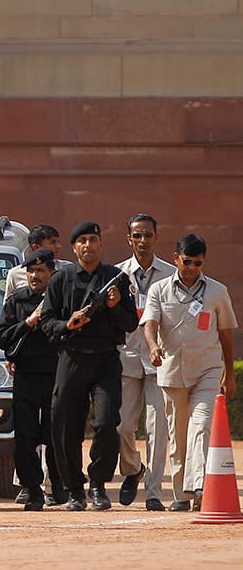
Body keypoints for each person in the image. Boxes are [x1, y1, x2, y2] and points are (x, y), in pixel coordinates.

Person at [40, 221, 138, 511]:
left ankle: (97, 483)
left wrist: (115, 306)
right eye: (81, 240)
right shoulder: (61, 280)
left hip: (106, 358)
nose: (87, 245)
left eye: (92, 239)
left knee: (107, 422)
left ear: (100, 244)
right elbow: (46, 322)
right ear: (74, 247)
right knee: (64, 426)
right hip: (72, 357)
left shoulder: (117, 279)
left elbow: (131, 323)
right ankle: (74, 490)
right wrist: (68, 323)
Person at [143, 234, 237, 512]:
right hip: (172, 372)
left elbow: (225, 335)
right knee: (178, 437)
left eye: (198, 263)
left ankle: (199, 486)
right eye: (187, 262)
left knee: (202, 425)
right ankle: (182, 496)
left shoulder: (217, 291)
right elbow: (149, 324)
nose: (192, 268)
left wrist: (228, 374)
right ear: (176, 259)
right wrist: (152, 347)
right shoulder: (159, 289)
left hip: (207, 370)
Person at [0, 248, 67, 510]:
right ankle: (32, 488)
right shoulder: (17, 301)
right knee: (25, 436)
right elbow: (2, 336)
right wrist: (28, 322)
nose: (35, 276)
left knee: (54, 432)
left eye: (41, 271)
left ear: (51, 273)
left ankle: (58, 485)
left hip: (55, 373)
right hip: (25, 374)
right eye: (31, 271)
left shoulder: (61, 301)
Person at [114, 214, 176, 511]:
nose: (142, 241)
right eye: (137, 235)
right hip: (127, 357)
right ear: (129, 238)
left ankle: (153, 491)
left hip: (158, 359)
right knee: (122, 426)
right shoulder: (117, 274)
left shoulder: (170, 274)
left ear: (156, 236)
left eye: (147, 235)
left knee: (157, 429)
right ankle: (132, 469)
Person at [3, 224, 73, 299]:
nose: (58, 246)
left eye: (58, 242)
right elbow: (8, 305)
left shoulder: (68, 270)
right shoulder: (15, 274)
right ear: (36, 247)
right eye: (53, 242)